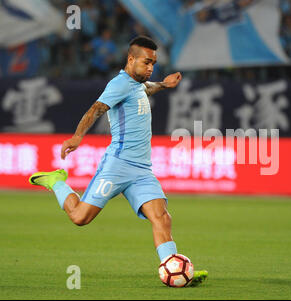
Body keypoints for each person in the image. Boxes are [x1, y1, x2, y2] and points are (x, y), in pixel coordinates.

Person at [29, 36, 208, 286]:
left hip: (142, 170)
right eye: (146, 62)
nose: (150, 68)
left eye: (153, 63)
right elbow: (96, 109)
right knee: (80, 217)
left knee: (162, 216)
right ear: (131, 59)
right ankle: (57, 182)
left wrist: (164, 85)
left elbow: (147, 88)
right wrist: (77, 136)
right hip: (118, 165)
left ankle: (173, 269)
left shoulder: (137, 84)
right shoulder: (119, 84)